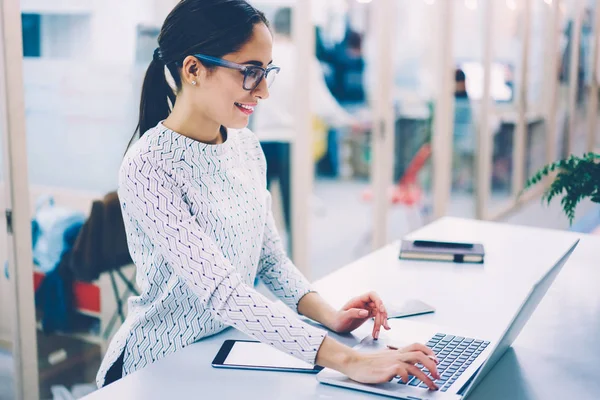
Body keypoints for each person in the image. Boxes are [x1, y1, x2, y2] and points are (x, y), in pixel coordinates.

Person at [96, 0, 439, 390]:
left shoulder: (246, 148)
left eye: (266, 72)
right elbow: (223, 292)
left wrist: (329, 315)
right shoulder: (149, 166)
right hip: (155, 367)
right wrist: (350, 360)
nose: (263, 91)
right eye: (250, 72)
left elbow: (269, 259)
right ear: (193, 69)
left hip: (221, 351)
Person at [251, 7, 363, 240]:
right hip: (291, 141)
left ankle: (252, 270)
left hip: (260, 139)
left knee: (259, 209)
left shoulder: (260, 56)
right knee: (294, 209)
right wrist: (348, 121)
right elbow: (321, 102)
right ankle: (291, 262)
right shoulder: (303, 60)